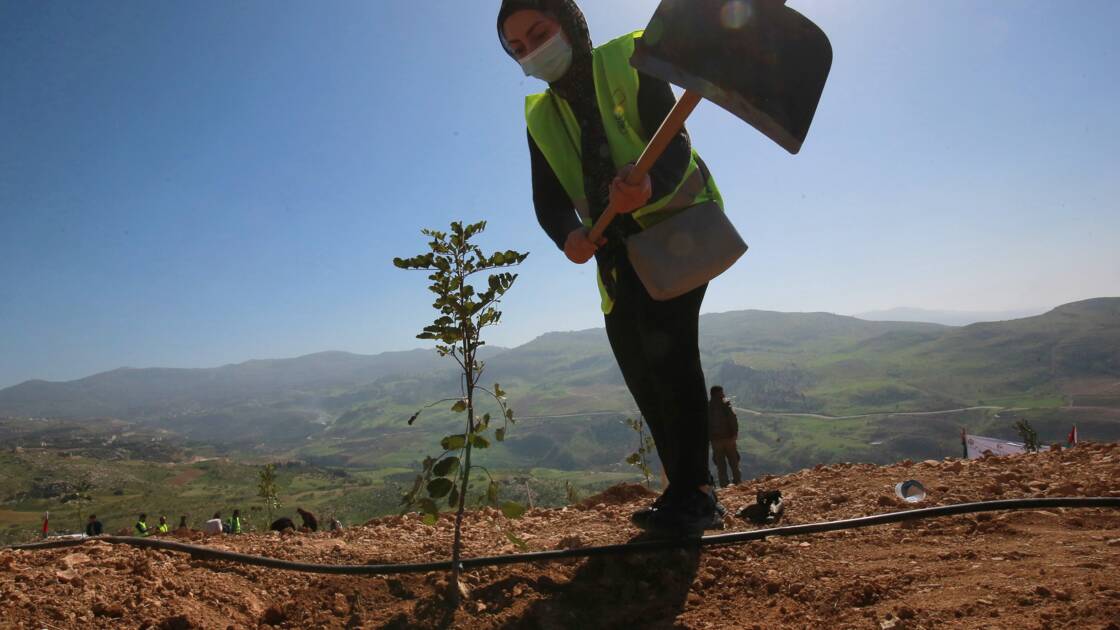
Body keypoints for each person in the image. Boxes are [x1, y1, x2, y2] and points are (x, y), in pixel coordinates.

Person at [498, 0, 725, 533]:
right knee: (636, 360)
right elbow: (548, 200)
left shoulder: (632, 58)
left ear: (572, 24)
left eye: (539, 33)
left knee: (668, 350)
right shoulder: (539, 117)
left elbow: (675, 146)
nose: (533, 51)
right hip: (615, 254)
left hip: (675, 234)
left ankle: (696, 495)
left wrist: (647, 184)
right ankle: (681, 489)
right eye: (518, 49)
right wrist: (568, 238)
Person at [708, 386, 742, 487]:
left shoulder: (708, 406)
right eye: (722, 392)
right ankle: (738, 482)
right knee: (734, 462)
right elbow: (733, 419)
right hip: (729, 439)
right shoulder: (726, 404)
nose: (724, 394)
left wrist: (710, 439)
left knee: (720, 465)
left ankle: (724, 485)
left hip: (716, 441)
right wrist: (735, 434)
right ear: (719, 393)